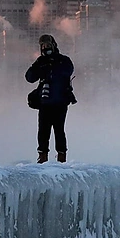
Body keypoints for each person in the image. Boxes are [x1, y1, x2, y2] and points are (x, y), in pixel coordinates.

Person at [25, 34, 75, 163]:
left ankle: (61, 157)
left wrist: (51, 67)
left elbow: (68, 71)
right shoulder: (41, 61)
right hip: (45, 102)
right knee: (43, 131)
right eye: (43, 46)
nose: (45, 48)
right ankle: (42, 157)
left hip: (60, 102)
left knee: (59, 130)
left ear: (53, 45)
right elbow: (29, 77)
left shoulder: (63, 60)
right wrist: (39, 66)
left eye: (47, 45)